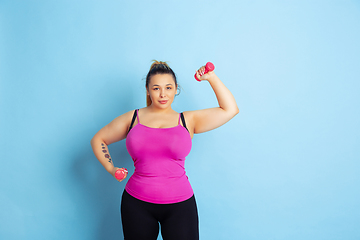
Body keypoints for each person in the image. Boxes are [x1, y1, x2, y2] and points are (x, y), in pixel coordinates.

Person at [90, 60, 239, 240]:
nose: (163, 94)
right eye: (156, 88)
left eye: (168, 88)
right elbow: (99, 139)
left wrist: (211, 77)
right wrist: (111, 169)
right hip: (136, 204)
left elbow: (230, 109)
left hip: (180, 206)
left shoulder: (188, 120)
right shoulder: (133, 118)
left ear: (176, 89)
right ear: (147, 90)